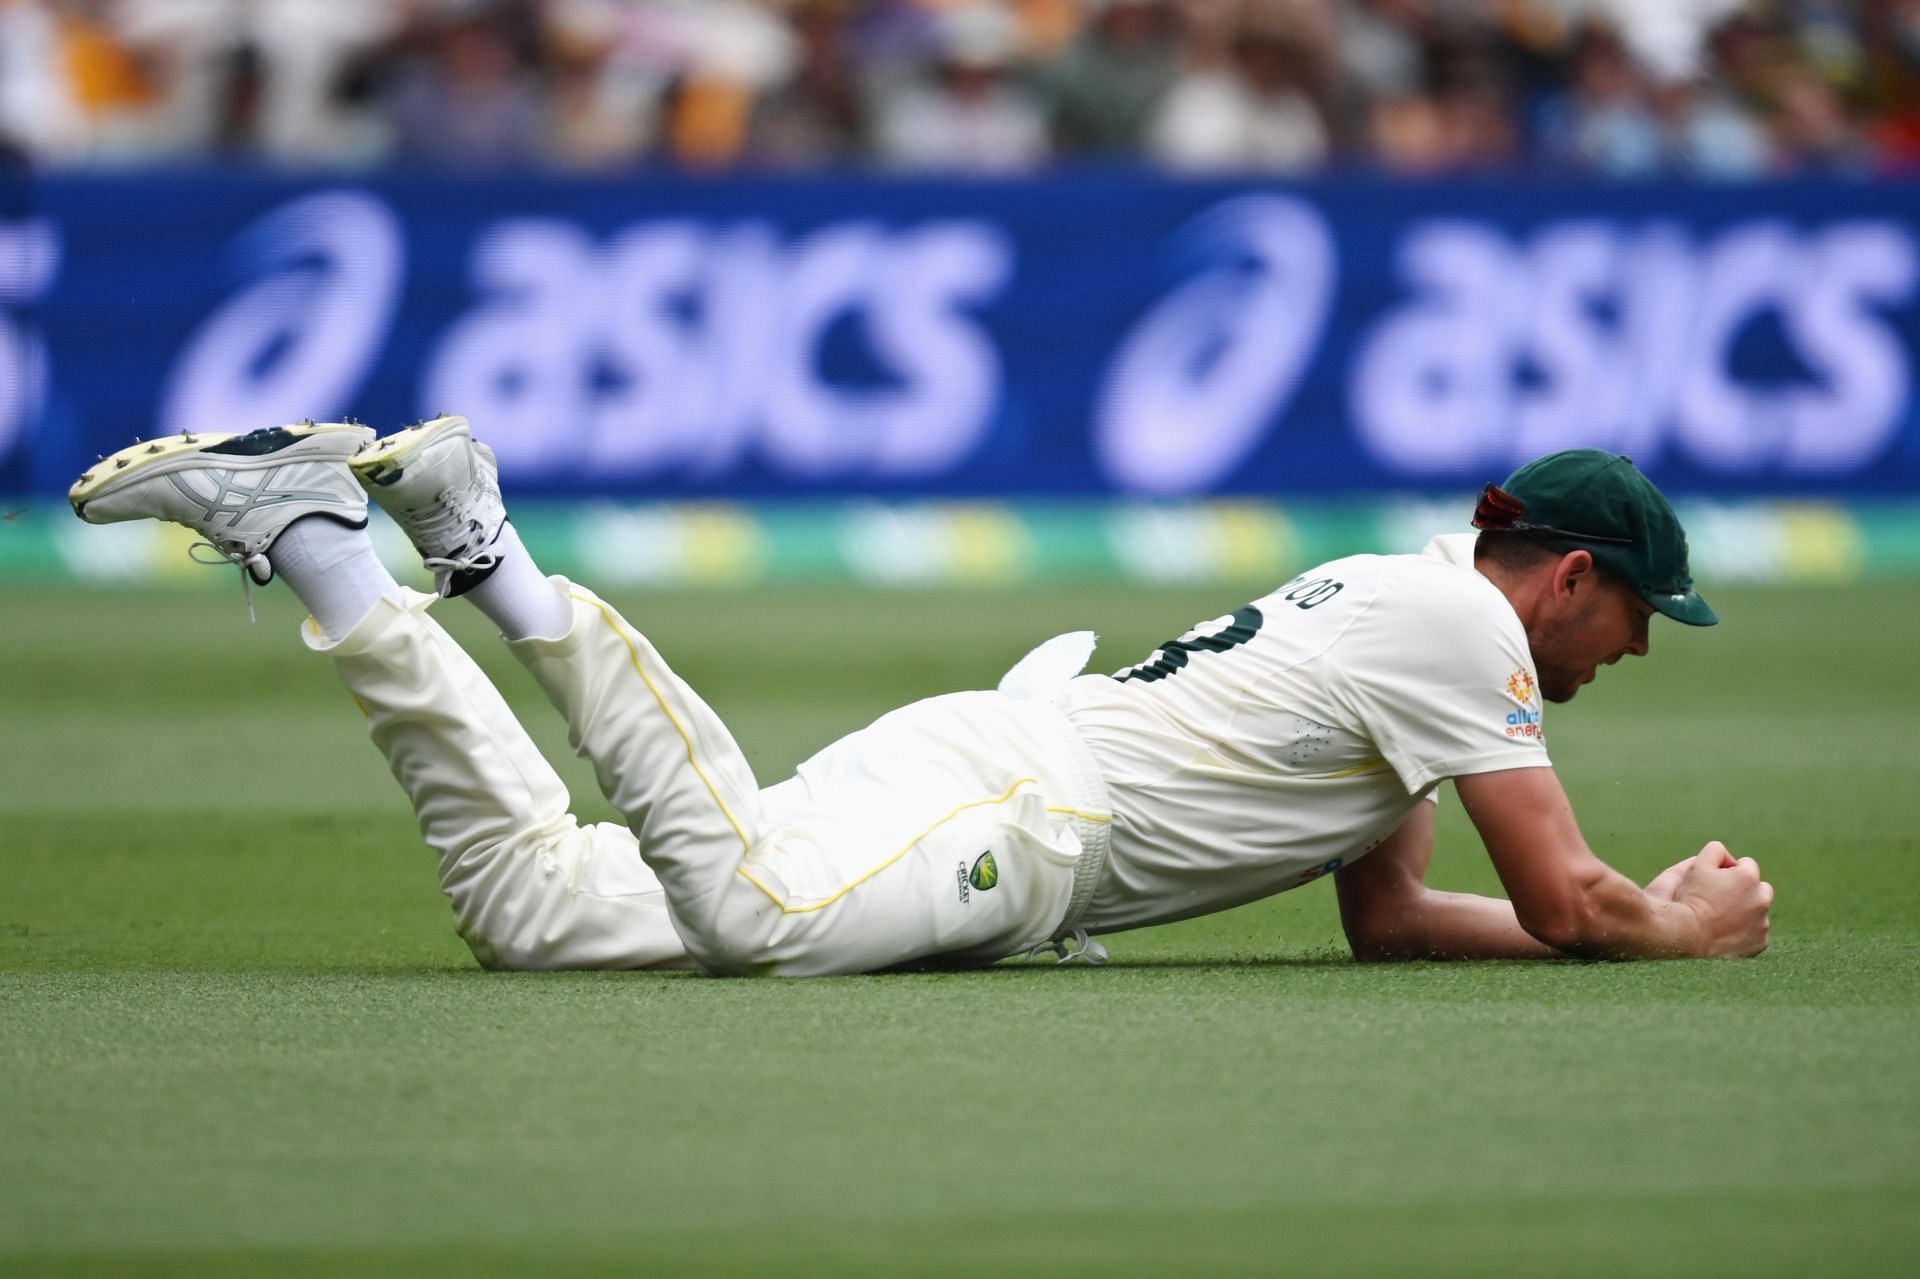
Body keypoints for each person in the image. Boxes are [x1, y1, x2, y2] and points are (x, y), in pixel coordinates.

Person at [67, 417, 1773, 974]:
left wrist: (1590, 921)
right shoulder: (1467, 637)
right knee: (754, 921)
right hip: (1028, 818)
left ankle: (317, 546)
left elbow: (1392, 919)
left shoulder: (1410, 619)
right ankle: (490, 551)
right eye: (1632, 619)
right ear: (1568, 578)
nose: (1624, 656)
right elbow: (1569, 898)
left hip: (998, 774)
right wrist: (1678, 927)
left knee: (534, 912)